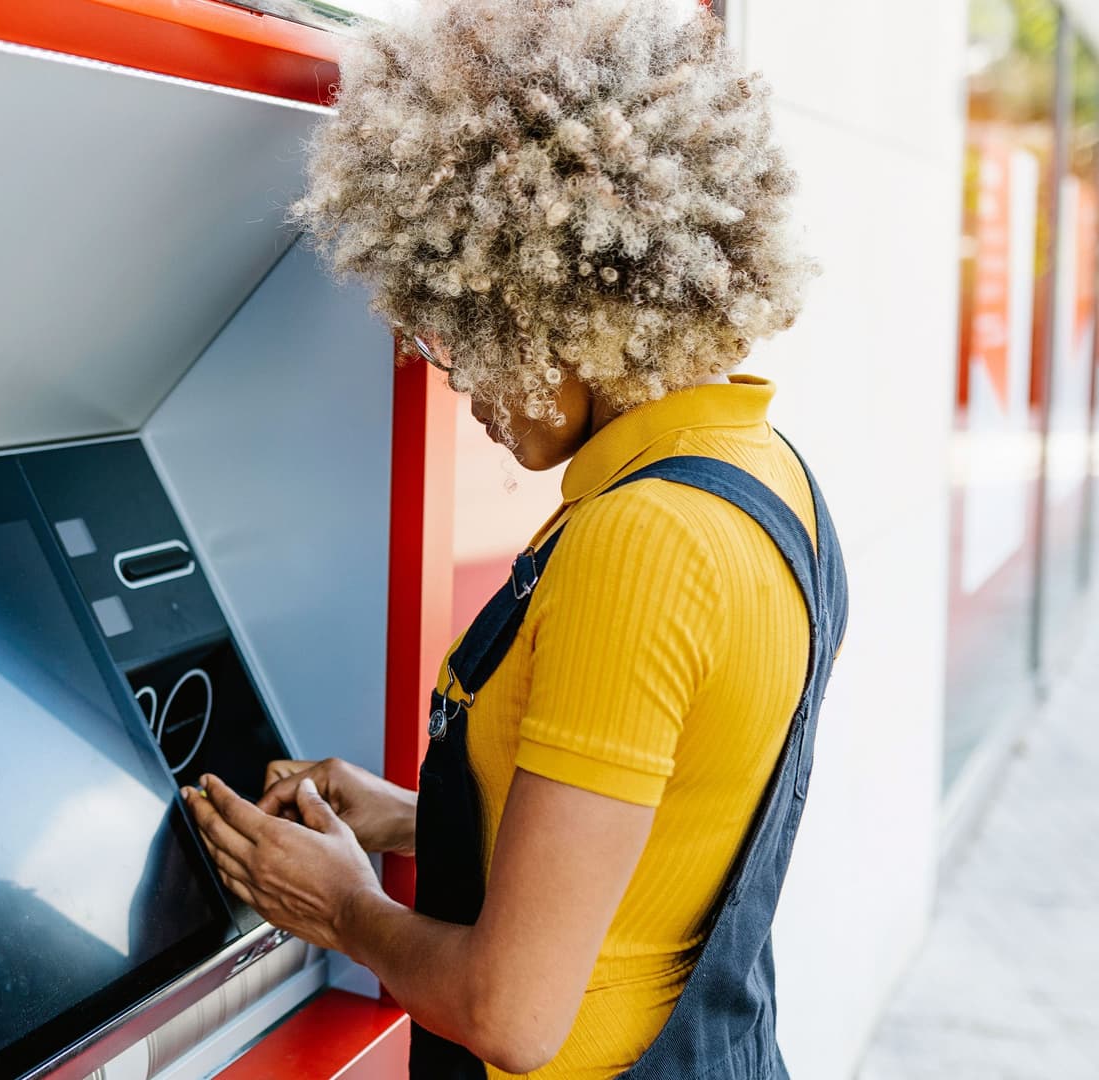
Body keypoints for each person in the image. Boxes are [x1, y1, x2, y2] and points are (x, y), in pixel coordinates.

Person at [180, 2, 848, 1078]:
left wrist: (343, 907)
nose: (456, 380)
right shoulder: (770, 481)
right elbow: (657, 847)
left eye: (462, 327)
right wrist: (410, 823)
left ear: (553, 307)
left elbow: (513, 1012)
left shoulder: (642, 542)